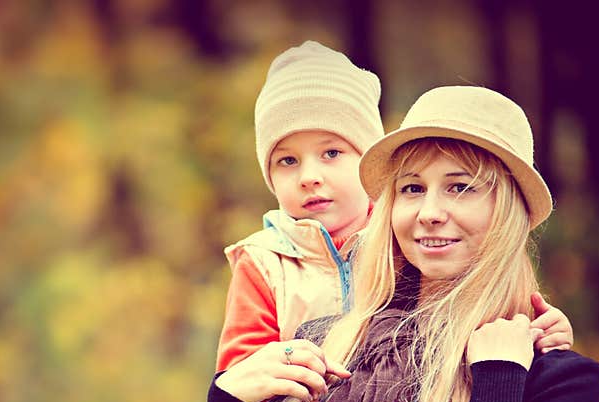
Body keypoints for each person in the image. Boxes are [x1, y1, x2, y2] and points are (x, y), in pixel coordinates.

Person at [199, 85, 599, 402]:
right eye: (412, 188)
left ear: (510, 210)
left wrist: (497, 380)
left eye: (461, 187)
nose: (430, 211)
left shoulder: (554, 377)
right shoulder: (328, 343)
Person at [216, 41, 574, 376]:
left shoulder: (405, 237)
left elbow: (478, 293)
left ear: (369, 163)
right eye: (287, 160)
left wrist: (541, 325)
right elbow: (241, 374)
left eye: (331, 153)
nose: (309, 176)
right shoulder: (264, 261)